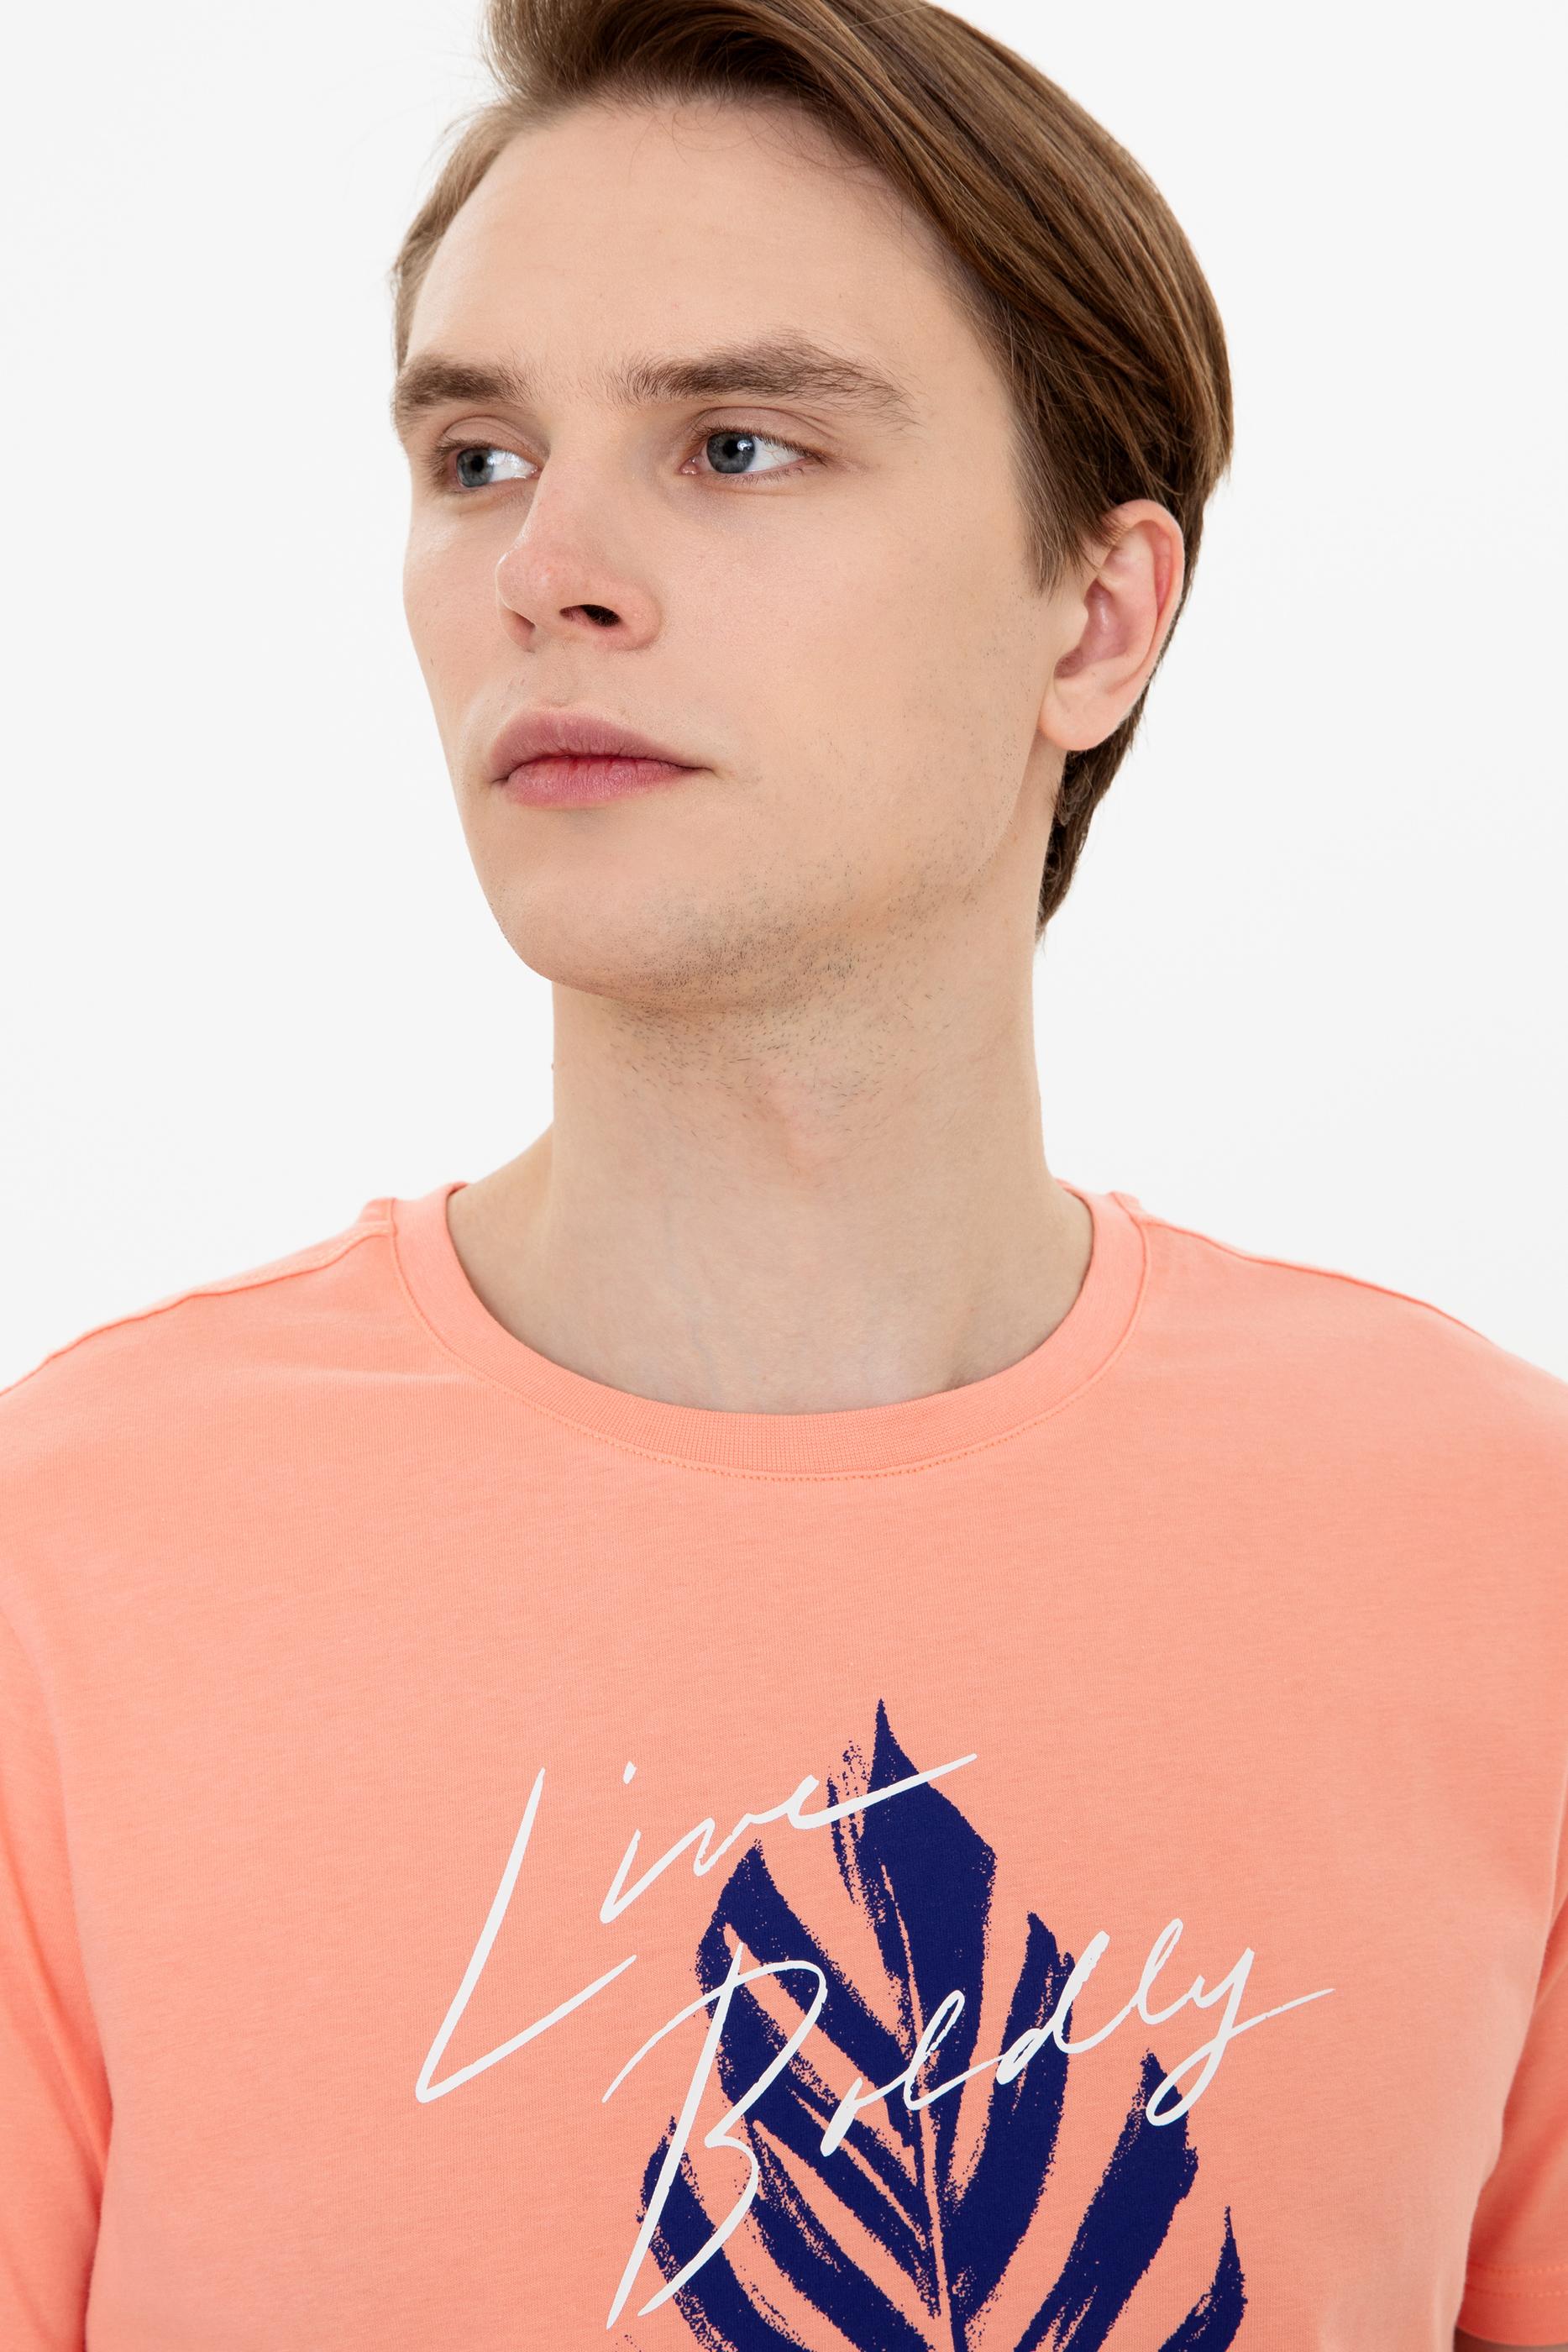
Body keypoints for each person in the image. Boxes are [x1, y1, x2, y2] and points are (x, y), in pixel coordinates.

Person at [1, 0, 1562, 2344]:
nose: (550, 570)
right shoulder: (71, 1565)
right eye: (477, 457)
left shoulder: (1496, 1546)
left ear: (1094, 618)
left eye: (736, 446)